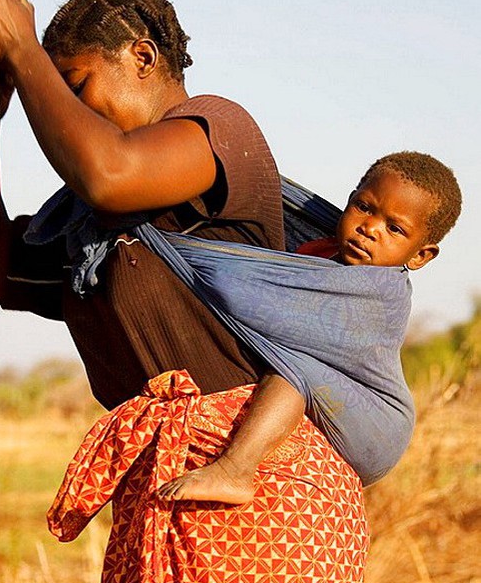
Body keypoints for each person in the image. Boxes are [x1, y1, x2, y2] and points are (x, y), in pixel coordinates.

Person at [0, 0, 373, 583]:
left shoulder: (216, 134)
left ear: (142, 57)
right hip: (165, 495)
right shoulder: (86, 221)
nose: (61, 106)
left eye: (76, 85)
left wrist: (22, 53)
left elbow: (109, 167)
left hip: (261, 489)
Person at [158, 150, 462, 505]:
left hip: (376, 424)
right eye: (365, 208)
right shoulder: (319, 248)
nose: (370, 229)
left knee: (292, 369)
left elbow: (272, 308)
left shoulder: (382, 295)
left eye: (394, 229)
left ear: (420, 255)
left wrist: (194, 263)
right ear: (350, 201)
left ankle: (234, 471)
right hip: (341, 395)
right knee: (290, 361)